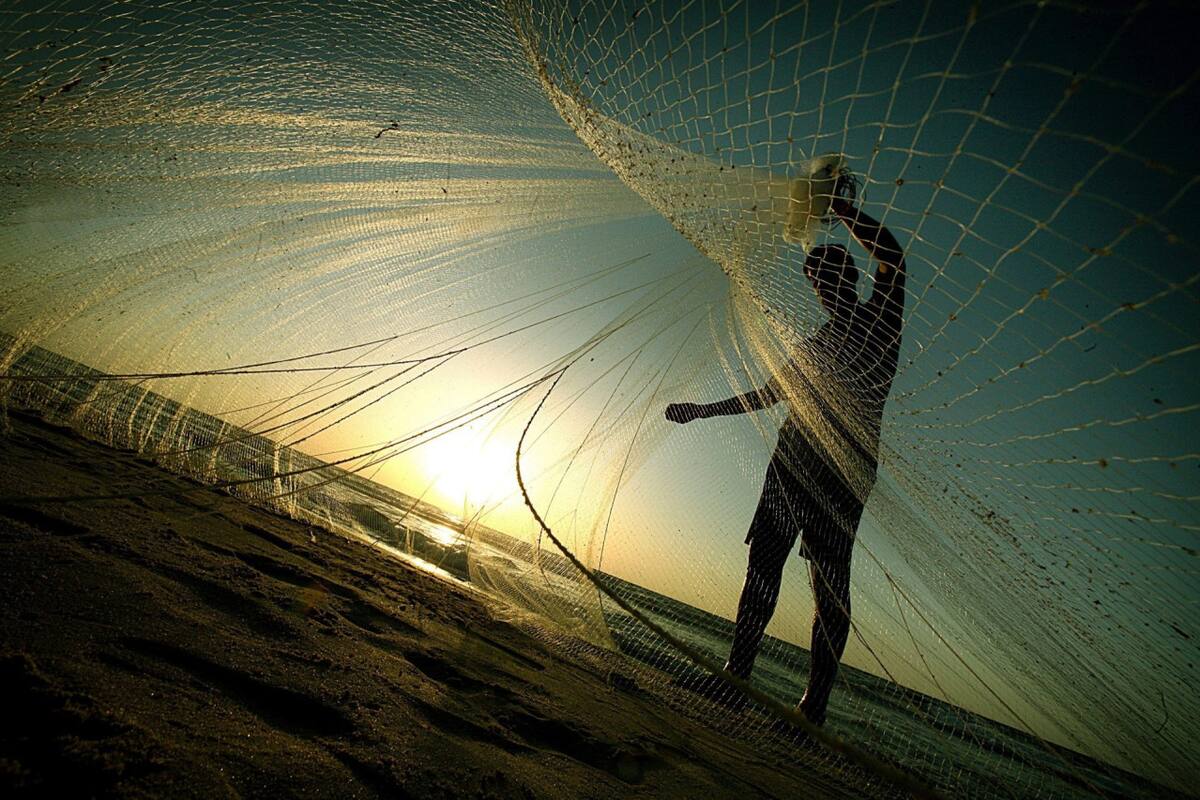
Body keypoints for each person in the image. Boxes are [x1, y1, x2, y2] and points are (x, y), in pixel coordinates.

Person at [665, 189, 906, 728]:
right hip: (791, 460)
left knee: (829, 584)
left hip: (844, 471)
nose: (824, 289)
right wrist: (701, 411)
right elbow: (767, 395)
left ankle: (812, 707)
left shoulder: (881, 322)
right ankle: (736, 675)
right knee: (763, 566)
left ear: (851, 276)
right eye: (818, 283)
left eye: (832, 277)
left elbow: (893, 258)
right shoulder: (817, 342)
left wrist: (841, 209)